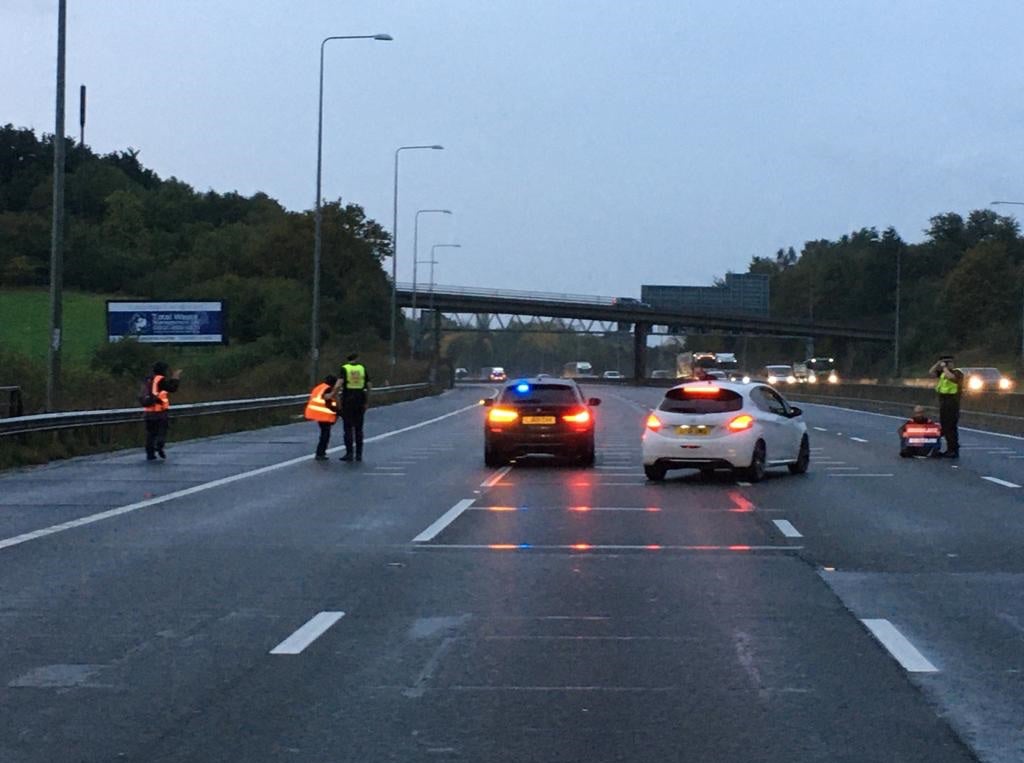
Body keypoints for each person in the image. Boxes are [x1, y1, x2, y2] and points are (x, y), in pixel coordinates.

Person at [332, 352, 370, 462]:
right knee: (359, 428)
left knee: (348, 428)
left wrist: (334, 395)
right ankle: (359, 454)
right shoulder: (362, 368)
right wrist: (367, 400)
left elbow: (339, 384)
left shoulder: (345, 369)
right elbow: (369, 386)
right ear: (357, 358)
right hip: (360, 399)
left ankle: (349, 453)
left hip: (348, 400)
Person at [141, 361, 182, 461]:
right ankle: (159, 445)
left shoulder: (148, 379)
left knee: (150, 433)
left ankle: (150, 453)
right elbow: (171, 388)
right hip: (160, 412)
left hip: (148, 411)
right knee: (161, 431)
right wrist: (175, 378)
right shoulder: (160, 379)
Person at [929, 354, 964, 458]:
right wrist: (938, 364)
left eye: (949, 363)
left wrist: (944, 367)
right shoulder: (943, 373)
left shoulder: (957, 373)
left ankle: (953, 450)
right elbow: (931, 372)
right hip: (944, 403)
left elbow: (951, 378)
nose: (949, 364)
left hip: (952, 403)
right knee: (944, 427)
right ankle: (949, 449)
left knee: (950, 427)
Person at [304, 374, 338, 461]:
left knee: (324, 434)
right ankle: (320, 453)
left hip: (316, 413)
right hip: (323, 414)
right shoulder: (328, 389)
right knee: (325, 435)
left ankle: (321, 453)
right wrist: (337, 412)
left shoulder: (320, 387)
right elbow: (328, 403)